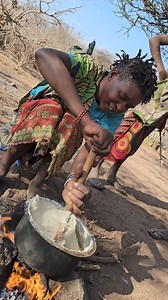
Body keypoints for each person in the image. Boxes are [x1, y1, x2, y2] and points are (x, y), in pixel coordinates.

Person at [0, 47, 157, 215]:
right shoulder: (88, 69)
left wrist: (73, 181)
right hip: (27, 129)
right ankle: (4, 164)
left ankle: (37, 182)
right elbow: (43, 55)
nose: (120, 107)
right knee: (54, 109)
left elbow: (88, 150)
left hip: (50, 146)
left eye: (128, 106)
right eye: (122, 97)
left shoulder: (114, 116)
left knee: (71, 123)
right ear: (112, 75)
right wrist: (85, 119)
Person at [87, 34, 168, 193]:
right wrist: (161, 69)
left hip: (162, 110)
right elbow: (155, 40)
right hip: (153, 102)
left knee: (134, 143)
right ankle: (94, 166)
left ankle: (112, 174)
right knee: (121, 133)